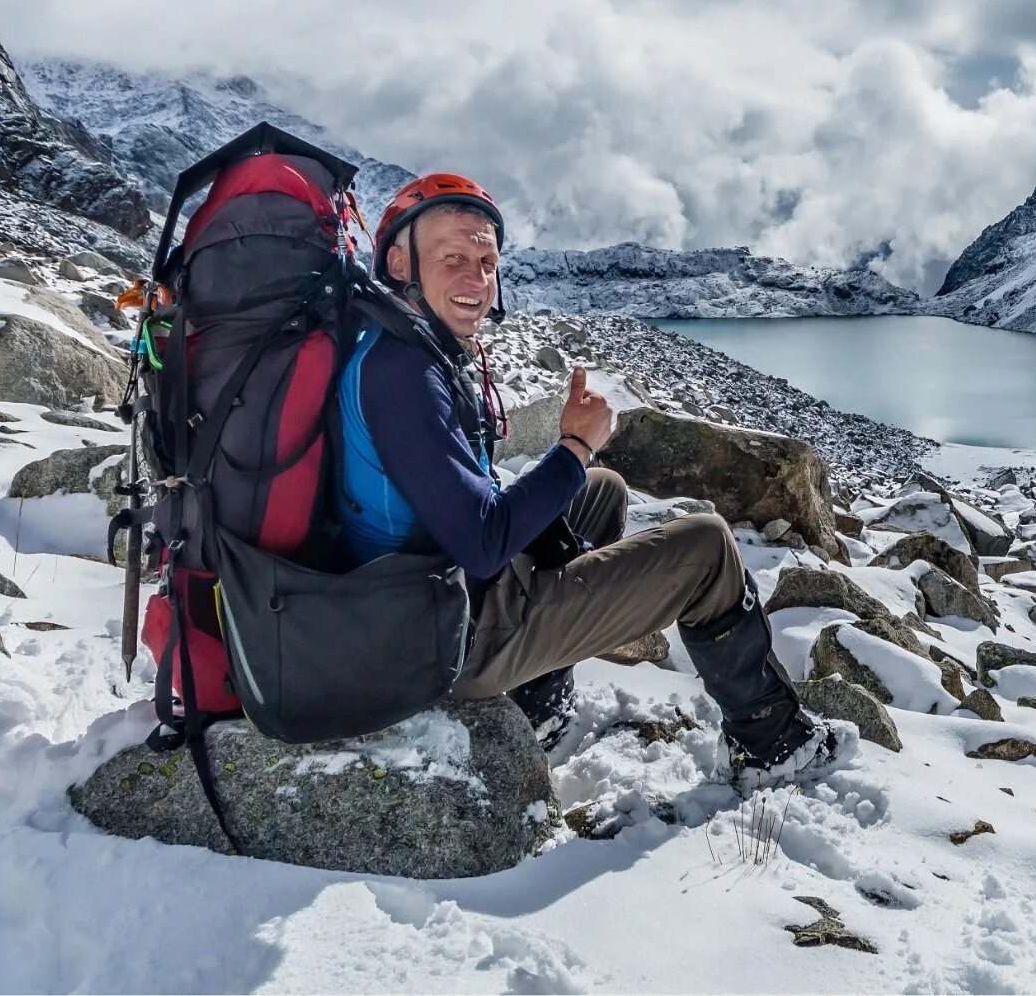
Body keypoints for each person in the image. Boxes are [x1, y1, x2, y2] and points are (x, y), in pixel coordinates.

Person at [337, 170, 849, 785]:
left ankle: (537, 704)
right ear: (399, 261)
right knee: (708, 546)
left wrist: (571, 471)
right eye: (453, 257)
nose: (477, 278)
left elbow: (452, 504)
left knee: (597, 490)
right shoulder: (403, 374)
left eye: (486, 260)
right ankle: (772, 744)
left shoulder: (402, 348)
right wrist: (574, 445)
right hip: (445, 633)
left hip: (427, 590)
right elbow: (480, 539)